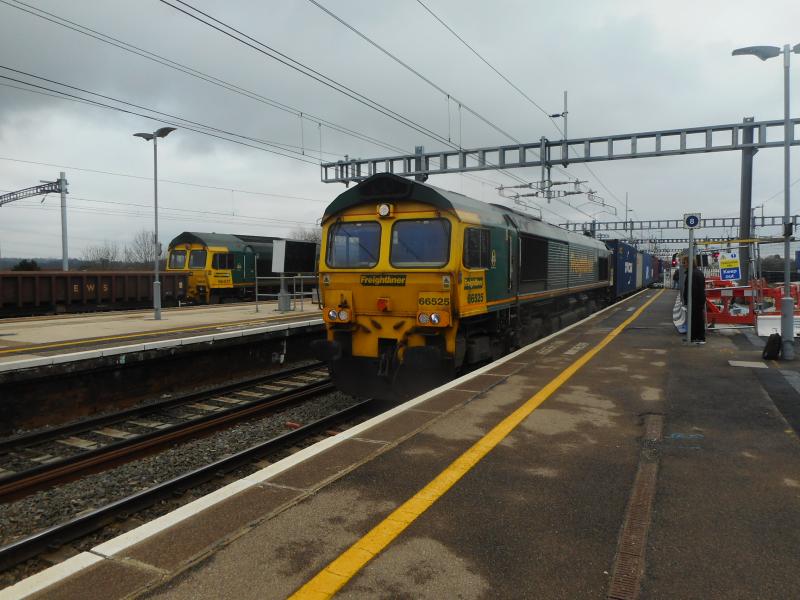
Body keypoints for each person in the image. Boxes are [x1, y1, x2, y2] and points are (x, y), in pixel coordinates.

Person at [682, 258, 706, 344]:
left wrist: (689, 301)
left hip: (695, 301)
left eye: (684, 262)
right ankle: (693, 337)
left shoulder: (693, 274)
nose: (683, 264)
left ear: (689, 263)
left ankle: (698, 338)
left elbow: (693, 289)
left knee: (696, 319)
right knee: (696, 319)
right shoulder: (696, 272)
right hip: (696, 300)